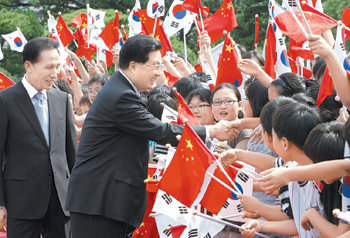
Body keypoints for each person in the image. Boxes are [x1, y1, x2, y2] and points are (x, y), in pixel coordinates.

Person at [65, 34, 238, 238]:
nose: (159, 73)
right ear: (134, 66)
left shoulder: (121, 90)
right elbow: (160, 131)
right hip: (100, 201)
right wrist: (211, 130)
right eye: (155, 66)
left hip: (104, 200)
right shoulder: (122, 95)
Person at [0, 37, 78, 237]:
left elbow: (71, 153)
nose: (55, 73)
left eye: (58, 66)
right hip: (21, 201)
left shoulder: (61, 99)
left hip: (61, 200)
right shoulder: (6, 101)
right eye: (49, 67)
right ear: (29, 66)